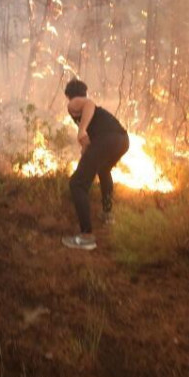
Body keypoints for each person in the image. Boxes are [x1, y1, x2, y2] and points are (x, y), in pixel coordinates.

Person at [61, 79, 129, 251]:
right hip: (122, 140)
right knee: (103, 169)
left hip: (106, 140)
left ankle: (86, 237)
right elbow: (89, 142)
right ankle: (108, 214)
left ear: (69, 95)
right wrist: (84, 153)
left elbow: (89, 104)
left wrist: (81, 129)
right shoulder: (90, 114)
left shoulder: (74, 104)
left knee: (77, 184)